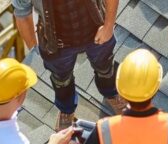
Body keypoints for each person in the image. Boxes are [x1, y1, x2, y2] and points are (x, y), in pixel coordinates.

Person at [13, 0, 128, 130]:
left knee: (105, 67)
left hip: (96, 28)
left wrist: (108, 26)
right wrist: (35, 49)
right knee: (61, 80)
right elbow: (22, 14)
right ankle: (66, 110)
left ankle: (111, 93)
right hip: (57, 44)